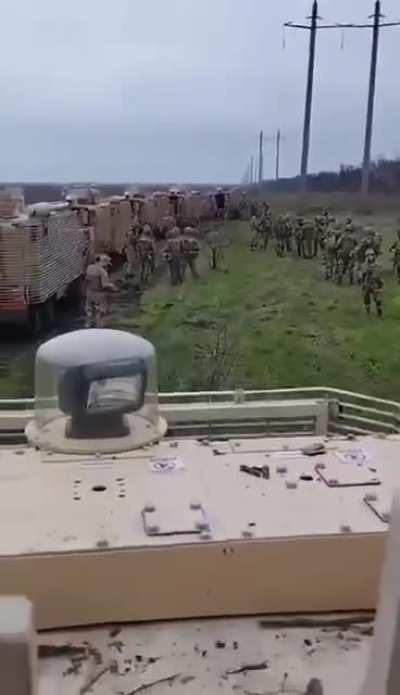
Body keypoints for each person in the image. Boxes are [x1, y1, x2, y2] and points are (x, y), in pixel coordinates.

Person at [85, 254, 116, 328]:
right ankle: (99, 328)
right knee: (100, 314)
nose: (107, 266)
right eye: (107, 264)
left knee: (89, 313)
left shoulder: (89, 268)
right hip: (99, 295)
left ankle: (88, 326)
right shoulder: (102, 272)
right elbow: (104, 284)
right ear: (103, 262)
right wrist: (111, 285)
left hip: (89, 293)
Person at [361, 249, 383, 318]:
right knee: (366, 298)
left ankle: (379, 311)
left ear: (374, 256)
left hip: (375, 283)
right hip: (367, 283)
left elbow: (378, 275)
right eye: (368, 255)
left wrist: (380, 285)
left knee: (377, 299)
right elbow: (363, 275)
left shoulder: (378, 265)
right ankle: (368, 312)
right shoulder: (364, 265)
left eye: (372, 255)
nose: (370, 257)